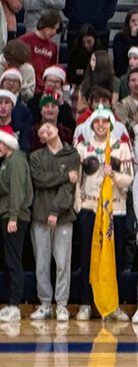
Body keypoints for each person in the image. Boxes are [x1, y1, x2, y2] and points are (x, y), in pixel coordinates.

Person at [73, 105, 133, 322]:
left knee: (113, 257)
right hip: (90, 208)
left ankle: (113, 304)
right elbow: (77, 181)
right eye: (97, 122)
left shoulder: (121, 148)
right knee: (88, 256)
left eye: (104, 122)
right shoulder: (83, 148)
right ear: (92, 125)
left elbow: (129, 179)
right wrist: (78, 205)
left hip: (114, 209)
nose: (100, 125)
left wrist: (114, 174)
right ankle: (86, 302)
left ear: (111, 124)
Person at [29, 121, 80, 324]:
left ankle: (62, 305)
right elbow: (40, 179)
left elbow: (69, 187)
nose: (47, 130)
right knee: (41, 262)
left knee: (63, 263)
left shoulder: (72, 155)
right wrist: (65, 175)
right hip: (40, 216)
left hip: (64, 216)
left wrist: (56, 210)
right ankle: (45, 304)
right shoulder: (36, 157)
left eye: (49, 127)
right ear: (40, 138)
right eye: (42, 130)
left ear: (57, 129)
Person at [0, 130, 34, 325]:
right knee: (9, 261)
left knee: (14, 261)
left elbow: (17, 191)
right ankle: (10, 303)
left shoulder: (15, 161)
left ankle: (14, 306)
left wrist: (13, 217)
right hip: (6, 215)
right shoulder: (7, 161)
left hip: (14, 217)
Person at [20, 10, 61, 83]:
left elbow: (52, 69)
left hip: (42, 87)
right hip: (26, 84)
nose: (54, 32)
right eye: (52, 27)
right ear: (44, 24)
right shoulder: (25, 39)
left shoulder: (53, 46)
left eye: (56, 29)